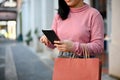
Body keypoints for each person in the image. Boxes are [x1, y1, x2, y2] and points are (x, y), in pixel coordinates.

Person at [40, 0, 104, 58]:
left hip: (85, 63)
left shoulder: (94, 15)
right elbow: (54, 44)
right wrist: (48, 40)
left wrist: (73, 47)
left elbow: (98, 47)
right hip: (62, 62)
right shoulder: (59, 15)